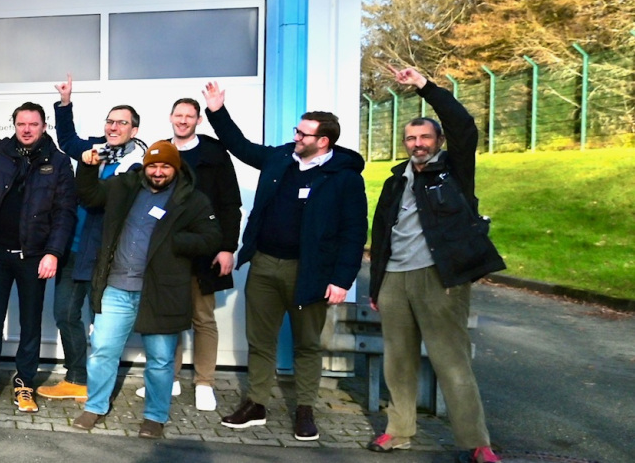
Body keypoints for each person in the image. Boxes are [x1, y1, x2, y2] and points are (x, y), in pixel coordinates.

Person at [206, 82, 367, 442]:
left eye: (302, 133)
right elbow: (240, 146)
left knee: (307, 343)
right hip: (264, 264)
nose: (295, 136)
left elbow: (354, 232)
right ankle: (256, 403)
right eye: (297, 130)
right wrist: (217, 111)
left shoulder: (344, 178)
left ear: (323, 141)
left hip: (309, 271)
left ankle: (305, 409)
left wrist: (342, 280)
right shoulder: (280, 158)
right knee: (260, 340)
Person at [366, 67, 505, 462]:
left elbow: (464, 126)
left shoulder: (454, 171)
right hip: (395, 279)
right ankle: (399, 430)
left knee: (451, 362)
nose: (418, 144)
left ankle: (476, 442)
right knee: (398, 362)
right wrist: (377, 287)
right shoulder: (396, 180)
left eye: (425, 137)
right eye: (411, 138)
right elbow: (381, 235)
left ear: (439, 141)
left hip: (439, 277)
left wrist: (425, 86)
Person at [68, 140, 223, 438]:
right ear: (145, 167)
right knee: (102, 350)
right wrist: (87, 168)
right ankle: (95, 406)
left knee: (161, 360)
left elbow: (212, 237)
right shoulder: (124, 187)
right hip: (116, 286)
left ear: (176, 168)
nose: (158, 172)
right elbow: (89, 195)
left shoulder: (191, 199)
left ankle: (155, 416)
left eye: (165, 166)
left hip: (160, 291)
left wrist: (175, 241)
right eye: (153, 166)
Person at [0, 63, 78, 413]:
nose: (26, 129)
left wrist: (53, 252)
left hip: (34, 256)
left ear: (43, 127)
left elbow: (65, 213)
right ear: (14, 125)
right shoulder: (1, 151)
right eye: (21, 124)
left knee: (30, 323)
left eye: (33, 124)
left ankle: (24, 383)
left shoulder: (59, 162)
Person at [43, 77, 144, 403]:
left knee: (102, 325)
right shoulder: (95, 150)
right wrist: (65, 103)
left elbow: (102, 200)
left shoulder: (137, 165)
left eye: (122, 123)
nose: (114, 127)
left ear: (134, 130)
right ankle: (77, 378)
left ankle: (100, 385)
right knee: (65, 314)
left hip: (106, 257)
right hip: (73, 249)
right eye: (110, 121)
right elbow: (67, 139)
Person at [167, 95, 242, 412]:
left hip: (205, 251)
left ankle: (204, 383)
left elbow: (230, 204)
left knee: (202, 318)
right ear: (171, 117)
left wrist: (227, 248)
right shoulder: (162, 152)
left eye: (189, 116)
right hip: (168, 252)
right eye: (178, 115)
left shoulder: (214, 154)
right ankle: (167, 379)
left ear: (198, 120)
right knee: (168, 319)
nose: (183, 120)